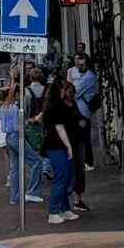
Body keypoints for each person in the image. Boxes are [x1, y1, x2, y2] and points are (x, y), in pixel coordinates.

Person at [42, 78, 81, 224]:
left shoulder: (51, 106)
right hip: (57, 146)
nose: (65, 92)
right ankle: (53, 211)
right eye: (63, 90)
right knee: (61, 178)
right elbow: (59, 128)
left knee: (64, 178)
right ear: (59, 91)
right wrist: (69, 146)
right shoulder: (55, 108)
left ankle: (64, 209)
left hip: (55, 146)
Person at [0, 84, 43, 206]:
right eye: (22, 94)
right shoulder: (16, 108)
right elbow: (17, 127)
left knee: (14, 168)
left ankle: (14, 197)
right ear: (17, 94)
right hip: (17, 137)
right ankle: (32, 192)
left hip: (8, 137)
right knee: (36, 161)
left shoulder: (4, 107)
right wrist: (26, 123)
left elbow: (3, 127)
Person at [70, 54, 99, 209]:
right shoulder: (84, 75)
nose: (78, 65)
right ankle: (87, 161)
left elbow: (76, 92)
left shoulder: (89, 77)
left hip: (83, 111)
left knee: (84, 139)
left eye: (81, 63)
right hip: (82, 110)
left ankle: (88, 161)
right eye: (76, 63)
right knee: (83, 139)